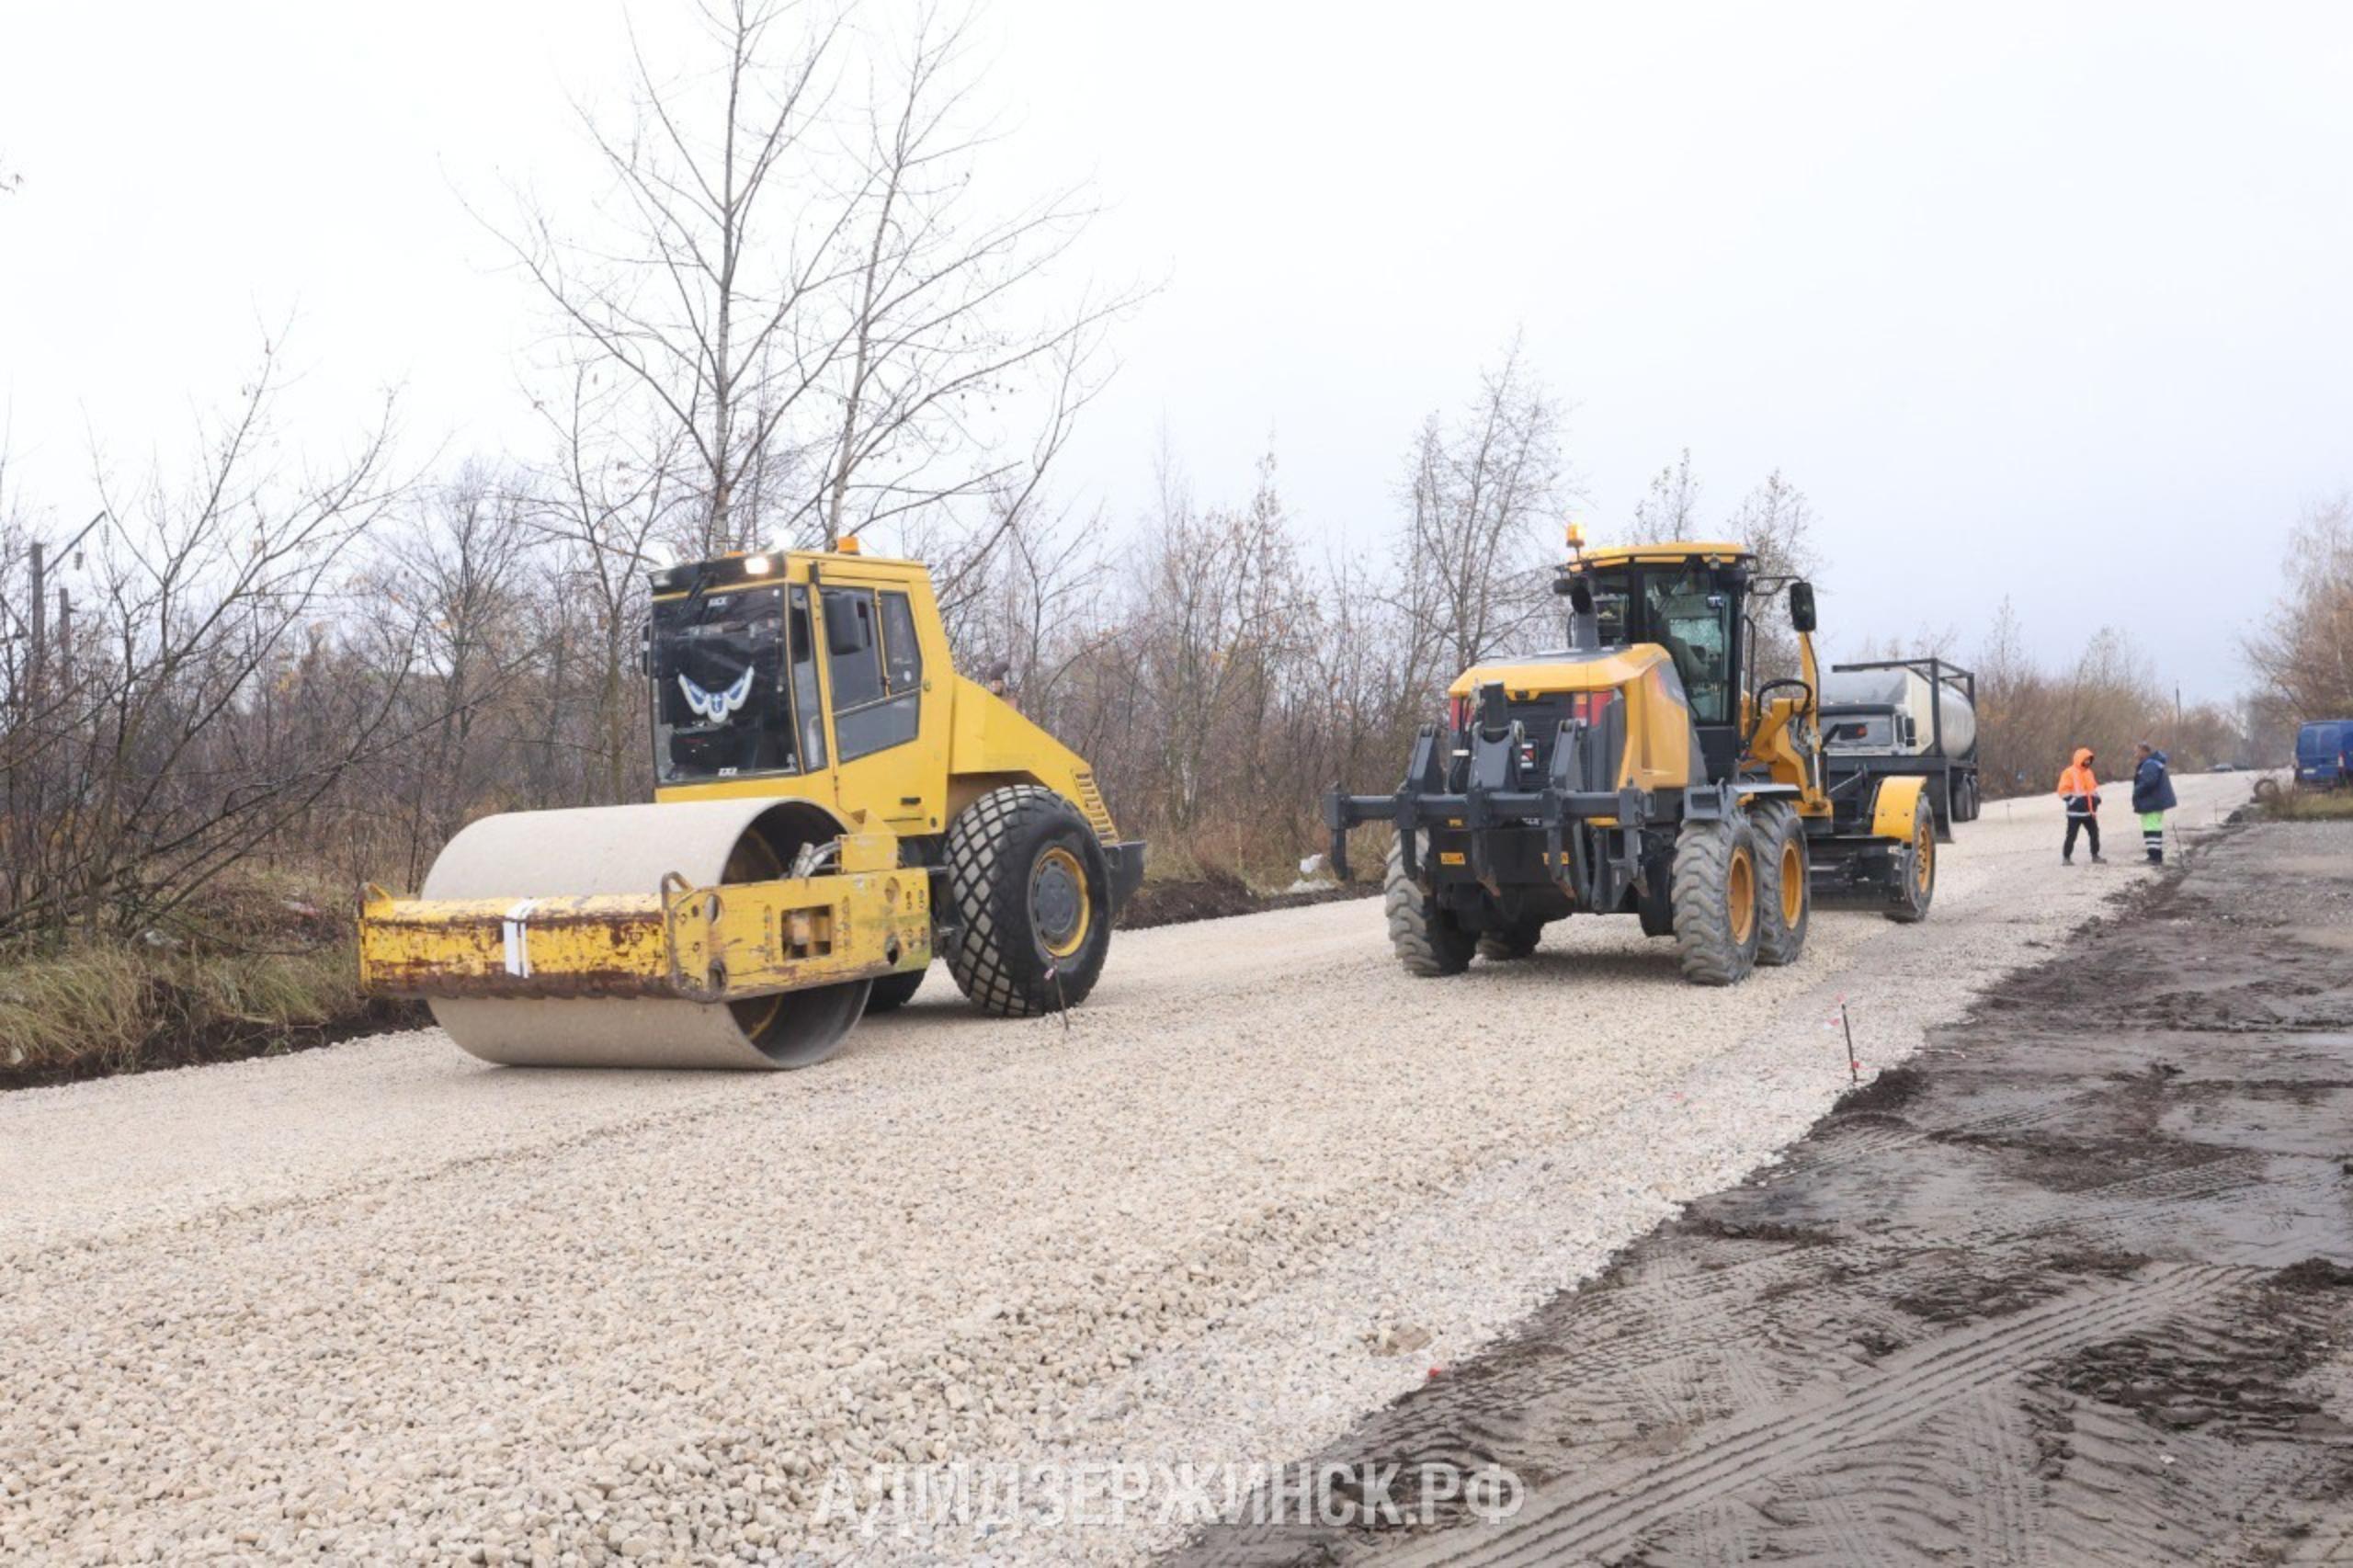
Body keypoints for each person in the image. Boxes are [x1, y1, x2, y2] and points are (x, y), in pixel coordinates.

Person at [2131, 742, 2178, 864]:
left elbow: (2149, 782)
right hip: (2153, 801)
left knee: (2152, 828)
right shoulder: (2152, 763)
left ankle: (2155, 857)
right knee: (2151, 827)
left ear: (2144, 751)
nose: (2135, 754)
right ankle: (2153, 855)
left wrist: (2137, 791)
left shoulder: (2149, 764)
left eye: (2137, 751)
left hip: (2152, 802)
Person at [2057, 746, 2104, 864]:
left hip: (2089, 812)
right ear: (2079, 759)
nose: (2088, 762)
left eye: (2089, 759)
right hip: (2075, 813)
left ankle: (2095, 855)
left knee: (2094, 833)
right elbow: (2062, 791)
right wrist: (2074, 802)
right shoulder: (2068, 772)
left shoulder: (2089, 773)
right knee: (2071, 836)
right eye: (2086, 759)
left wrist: (2097, 798)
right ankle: (2066, 858)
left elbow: (2093, 789)